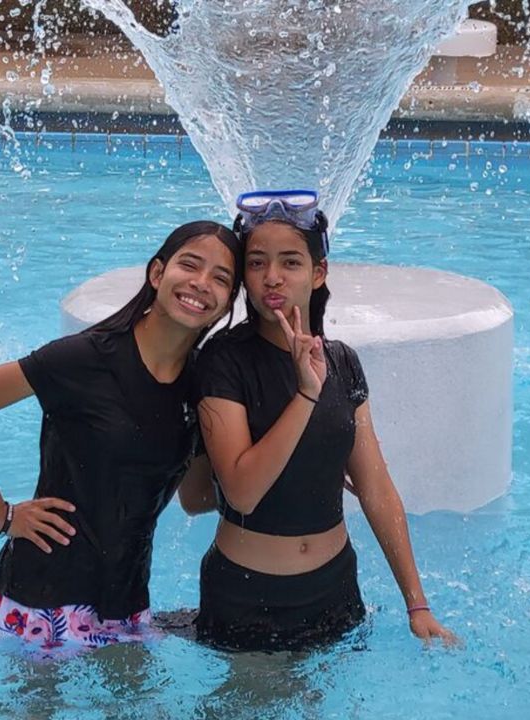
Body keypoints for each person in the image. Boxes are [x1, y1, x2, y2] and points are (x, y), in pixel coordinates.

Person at [0, 221, 241, 656]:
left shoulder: (200, 385)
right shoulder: (84, 357)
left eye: (221, 278)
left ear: (228, 301)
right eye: (189, 265)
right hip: (41, 600)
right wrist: (1, 515)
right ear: (157, 274)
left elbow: (193, 498)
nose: (201, 284)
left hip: (125, 603)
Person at [187, 189, 455, 652]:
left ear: (318, 273)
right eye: (257, 263)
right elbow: (243, 493)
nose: (273, 277)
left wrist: (417, 604)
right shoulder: (223, 360)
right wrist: (306, 395)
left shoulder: (343, 361)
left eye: (290, 262)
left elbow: (376, 487)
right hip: (249, 596)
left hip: (335, 591)